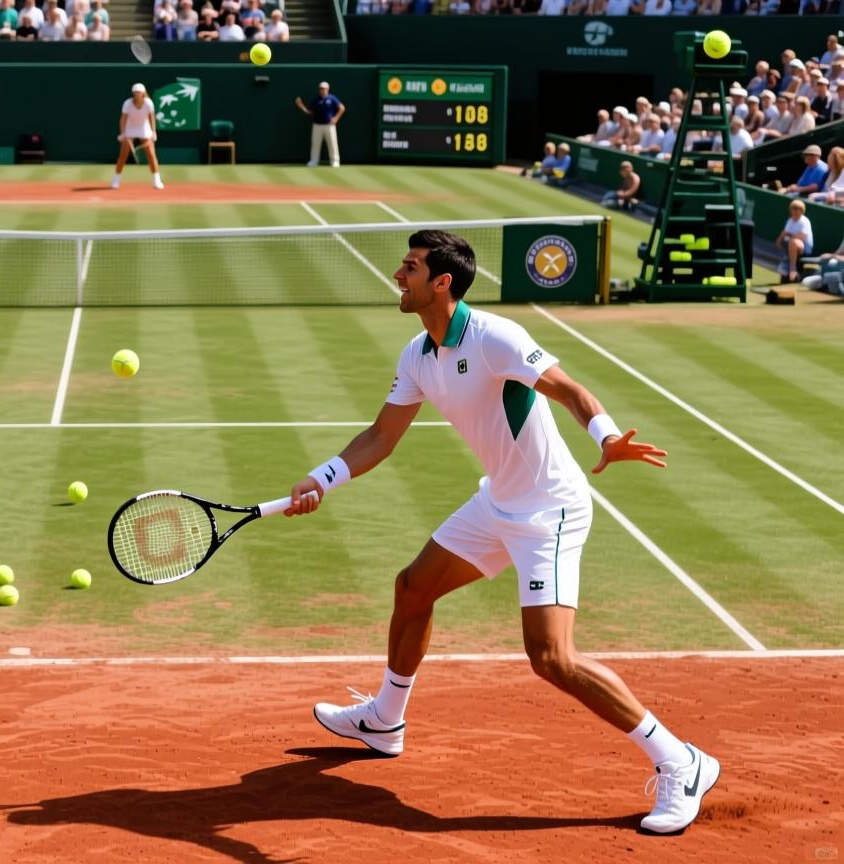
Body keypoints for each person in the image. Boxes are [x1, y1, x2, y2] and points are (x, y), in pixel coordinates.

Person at [286, 230, 718, 836]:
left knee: (551, 657)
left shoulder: (495, 338)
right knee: (413, 589)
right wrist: (323, 478)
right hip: (498, 502)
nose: (398, 275)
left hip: (549, 511)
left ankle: (681, 760)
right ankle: (385, 720)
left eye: (409, 267)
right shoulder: (417, 354)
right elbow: (382, 436)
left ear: (442, 282)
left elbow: (569, 390)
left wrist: (606, 437)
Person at [111, 83, 163, 191]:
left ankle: (157, 180)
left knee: (151, 155)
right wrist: (123, 133)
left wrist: (153, 132)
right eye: (135, 92)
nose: (136, 94)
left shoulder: (149, 103)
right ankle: (116, 179)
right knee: (123, 155)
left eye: (138, 92)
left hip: (144, 129)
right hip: (130, 129)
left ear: (143, 93)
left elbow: (151, 117)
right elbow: (123, 119)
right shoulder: (127, 103)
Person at [295, 82, 345, 168]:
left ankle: (335, 161)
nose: (322, 90)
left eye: (324, 89)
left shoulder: (332, 98)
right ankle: (314, 161)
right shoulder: (316, 100)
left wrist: (336, 118)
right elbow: (310, 112)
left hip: (329, 125)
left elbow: (342, 108)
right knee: (315, 144)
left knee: (332, 143)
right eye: (321, 89)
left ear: (327, 89)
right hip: (317, 125)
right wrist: (302, 107)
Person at [776, 198, 813, 282]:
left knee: (793, 242)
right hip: (791, 245)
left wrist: (790, 236)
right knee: (787, 241)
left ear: (802, 210)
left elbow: (802, 236)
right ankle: (785, 266)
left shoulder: (804, 221)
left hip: (806, 248)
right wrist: (779, 239)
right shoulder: (790, 220)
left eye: (797, 209)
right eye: (793, 208)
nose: (795, 211)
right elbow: (785, 232)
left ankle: (792, 268)